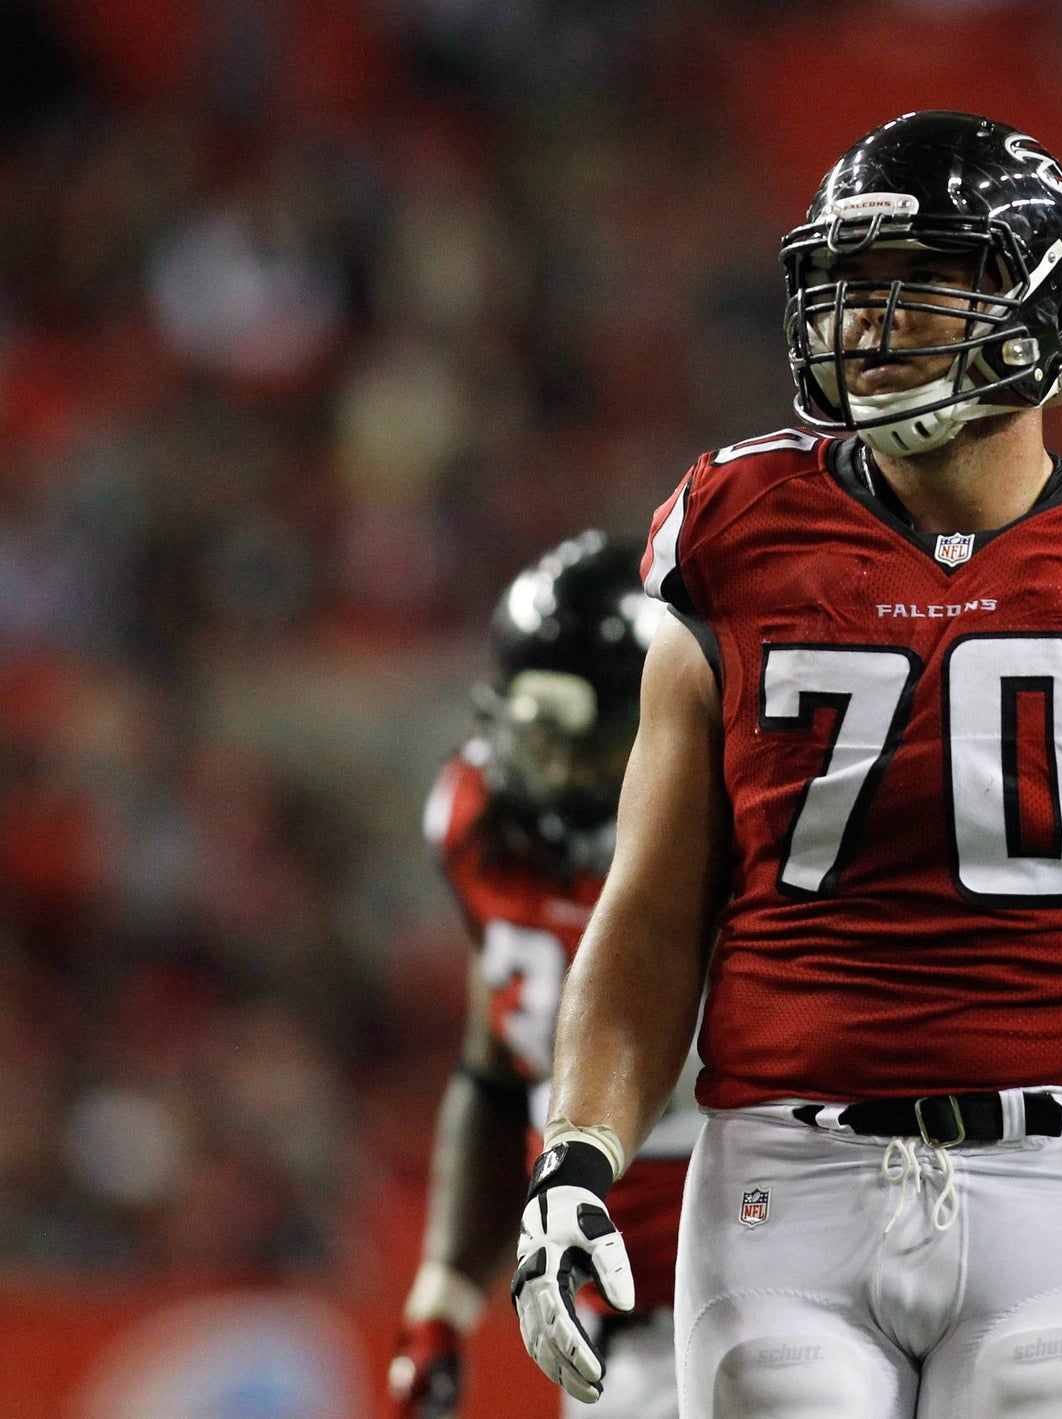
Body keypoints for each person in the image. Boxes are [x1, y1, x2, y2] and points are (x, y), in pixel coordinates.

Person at [513, 112, 1062, 1419]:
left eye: (913, 285)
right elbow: (651, 909)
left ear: (1039, 302)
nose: (863, 325)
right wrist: (576, 1153)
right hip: (781, 1181)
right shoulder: (739, 532)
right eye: (847, 290)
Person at [391, 533, 694, 1419]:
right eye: (532, 740)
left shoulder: (737, 832)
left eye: (580, 746)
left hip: (779, 1289)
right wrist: (441, 1300)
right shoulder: (477, 822)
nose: (547, 774)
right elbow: (496, 1070)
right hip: (608, 1330)